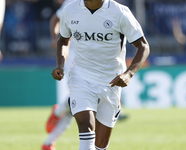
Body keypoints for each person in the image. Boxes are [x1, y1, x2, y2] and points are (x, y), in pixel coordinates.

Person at [52, 0, 150, 150]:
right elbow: (64, 40)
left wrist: (129, 74)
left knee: (100, 145)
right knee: (86, 125)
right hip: (81, 77)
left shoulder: (120, 12)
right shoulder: (70, 10)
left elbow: (143, 46)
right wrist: (60, 64)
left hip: (111, 82)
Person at [41, 0, 75, 150]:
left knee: (76, 106)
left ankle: (48, 143)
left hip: (95, 58)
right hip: (74, 54)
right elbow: (55, 18)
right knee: (78, 98)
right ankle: (58, 111)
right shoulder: (73, 2)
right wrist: (55, 38)